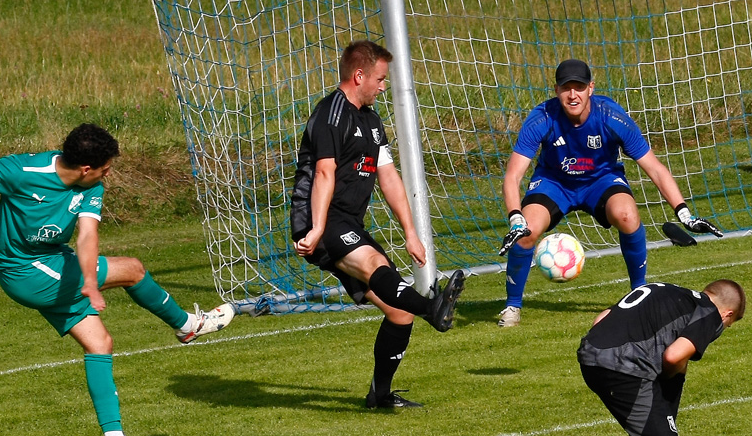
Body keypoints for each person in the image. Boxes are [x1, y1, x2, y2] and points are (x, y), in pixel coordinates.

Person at [0, 123, 235, 436]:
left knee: (100, 343)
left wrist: (88, 279)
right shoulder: (23, 170)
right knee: (132, 269)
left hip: (53, 260)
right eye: (105, 169)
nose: (107, 175)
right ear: (85, 168)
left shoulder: (90, 186)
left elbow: (86, 237)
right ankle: (187, 325)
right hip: (23, 270)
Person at [290, 40, 466, 409]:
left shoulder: (370, 121)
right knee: (376, 267)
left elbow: (388, 177)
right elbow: (323, 174)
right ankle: (431, 308)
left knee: (399, 313)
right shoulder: (329, 115)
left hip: (347, 222)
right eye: (380, 79)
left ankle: (380, 395)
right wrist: (318, 228)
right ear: (359, 76)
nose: (383, 86)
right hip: (318, 219)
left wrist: (411, 234)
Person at [498, 59, 723, 327]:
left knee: (627, 215)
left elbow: (655, 168)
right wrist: (516, 218)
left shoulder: (612, 117)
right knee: (528, 232)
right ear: (556, 90)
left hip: (601, 180)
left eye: (579, 87)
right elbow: (512, 176)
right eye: (566, 88)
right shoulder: (542, 118)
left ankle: (638, 293)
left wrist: (684, 213)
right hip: (554, 182)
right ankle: (512, 306)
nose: (573, 95)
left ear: (591, 88)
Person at [541, 279, 745, 436]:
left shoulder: (663, 289)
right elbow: (673, 357)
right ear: (727, 314)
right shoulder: (709, 312)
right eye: (728, 325)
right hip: (622, 369)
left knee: (679, 368)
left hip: (590, 358)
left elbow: (601, 318)